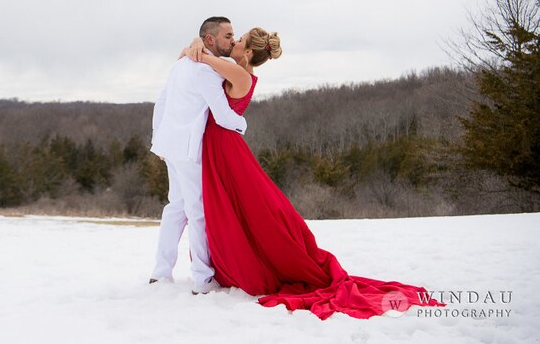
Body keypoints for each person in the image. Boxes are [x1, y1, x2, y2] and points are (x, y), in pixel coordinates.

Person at [183, 28, 445, 319]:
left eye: (239, 40)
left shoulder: (240, 75)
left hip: (225, 148)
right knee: (235, 207)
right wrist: (197, 44)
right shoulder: (235, 70)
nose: (234, 42)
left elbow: (205, 59)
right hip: (221, 146)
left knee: (245, 208)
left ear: (247, 53)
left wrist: (197, 45)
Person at [149, 16, 248, 295]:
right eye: (227, 36)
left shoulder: (180, 63)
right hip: (189, 149)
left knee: (176, 207)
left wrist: (158, 140)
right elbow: (222, 115)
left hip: (171, 144)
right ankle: (203, 279)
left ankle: (160, 272)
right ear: (210, 40)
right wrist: (243, 125)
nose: (232, 40)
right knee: (197, 211)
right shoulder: (207, 71)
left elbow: (161, 103)